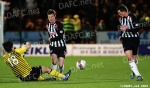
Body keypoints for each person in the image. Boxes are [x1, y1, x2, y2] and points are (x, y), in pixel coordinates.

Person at [2, 40, 71, 81]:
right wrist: (26, 42)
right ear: (11, 48)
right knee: (46, 69)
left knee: (35, 73)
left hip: (22, 78)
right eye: (12, 46)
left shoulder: (5, 58)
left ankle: (44, 80)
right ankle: (64, 77)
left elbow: (15, 62)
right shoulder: (17, 51)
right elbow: (29, 46)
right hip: (29, 73)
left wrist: (21, 56)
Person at [117, 4, 143, 81]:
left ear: (124, 11)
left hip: (135, 39)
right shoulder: (120, 19)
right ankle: (139, 76)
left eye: (120, 13)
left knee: (134, 59)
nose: (119, 14)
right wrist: (121, 35)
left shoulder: (133, 17)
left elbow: (137, 28)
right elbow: (122, 28)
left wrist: (127, 30)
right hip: (126, 40)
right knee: (129, 57)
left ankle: (133, 71)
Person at [46, 9, 67, 80]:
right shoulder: (47, 25)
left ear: (55, 16)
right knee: (54, 60)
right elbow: (49, 34)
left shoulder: (59, 24)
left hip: (61, 46)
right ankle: (53, 75)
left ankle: (60, 72)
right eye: (49, 17)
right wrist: (50, 43)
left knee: (60, 65)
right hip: (53, 46)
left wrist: (51, 39)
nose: (50, 18)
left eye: (52, 17)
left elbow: (61, 36)